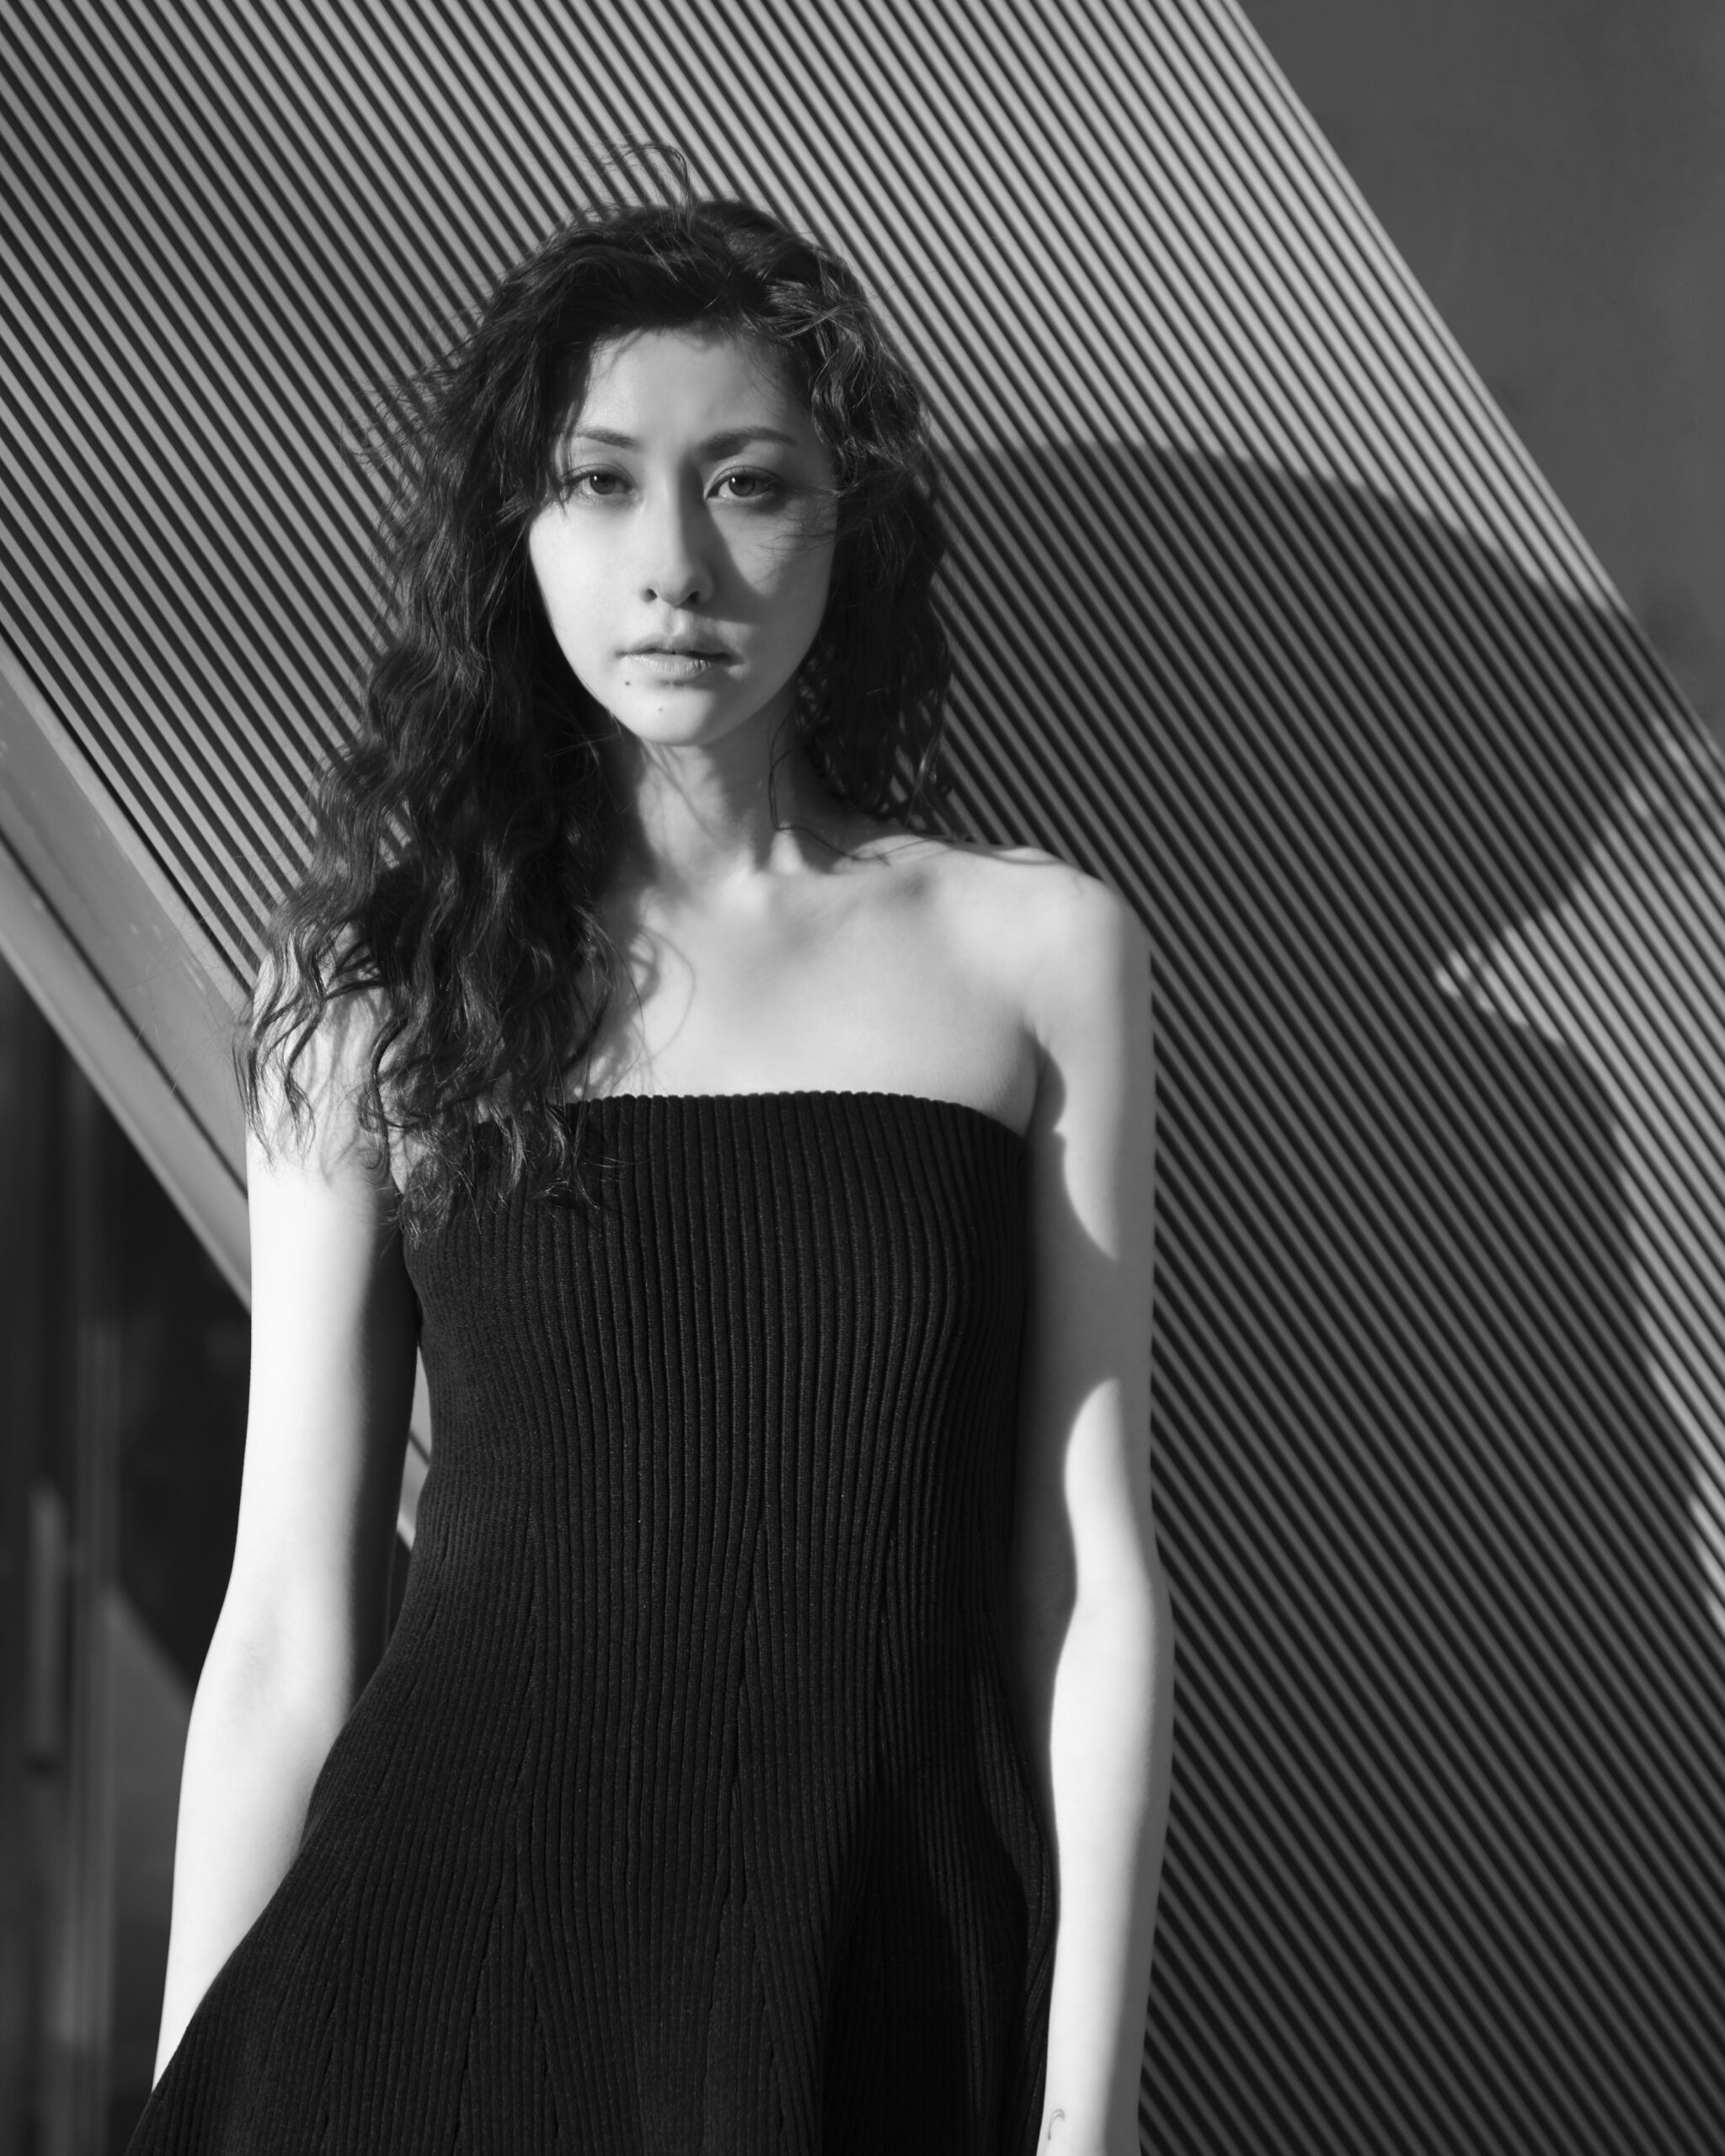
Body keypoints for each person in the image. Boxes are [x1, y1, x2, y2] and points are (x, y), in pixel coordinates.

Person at [130, 187, 1174, 2156]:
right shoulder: (380, 979)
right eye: (599, 482)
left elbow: (1084, 1576)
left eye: (749, 483)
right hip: (406, 2014)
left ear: (847, 522)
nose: (673, 563)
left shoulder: (1034, 952)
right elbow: (284, 1618)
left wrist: (1083, 2113)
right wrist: (190, 2090)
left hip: (859, 1981)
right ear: (514, 530)